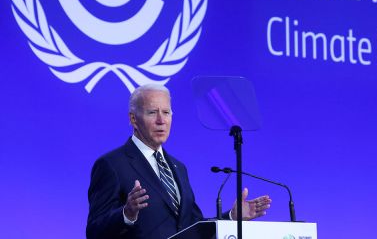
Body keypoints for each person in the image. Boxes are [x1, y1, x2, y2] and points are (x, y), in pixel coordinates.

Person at [86, 84, 272, 239]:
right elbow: (94, 231)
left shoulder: (178, 167)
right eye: (152, 112)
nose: (161, 120)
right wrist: (126, 214)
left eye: (166, 112)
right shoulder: (112, 165)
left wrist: (232, 217)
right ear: (133, 119)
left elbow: (193, 227)